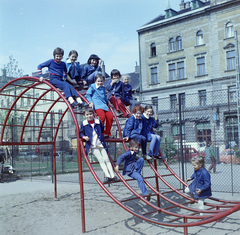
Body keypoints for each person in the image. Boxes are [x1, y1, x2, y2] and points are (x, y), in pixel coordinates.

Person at [80, 107, 118, 183]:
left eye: (90, 114)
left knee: (107, 159)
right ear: (85, 116)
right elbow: (81, 132)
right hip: (92, 145)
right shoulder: (84, 124)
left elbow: (101, 129)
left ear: (93, 114)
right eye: (87, 115)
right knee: (101, 160)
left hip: (100, 143)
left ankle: (113, 176)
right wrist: (84, 137)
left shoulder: (98, 122)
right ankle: (107, 176)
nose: (89, 116)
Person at [85, 74, 114, 138]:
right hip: (97, 104)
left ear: (103, 81)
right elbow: (88, 95)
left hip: (103, 104)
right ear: (95, 81)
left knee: (110, 117)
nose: (100, 83)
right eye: (98, 81)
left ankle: (107, 132)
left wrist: (108, 102)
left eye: (101, 81)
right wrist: (91, 102)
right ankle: (100, 132)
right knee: (102, 117)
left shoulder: (103, 88)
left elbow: (104, 97)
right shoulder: (92, 87)